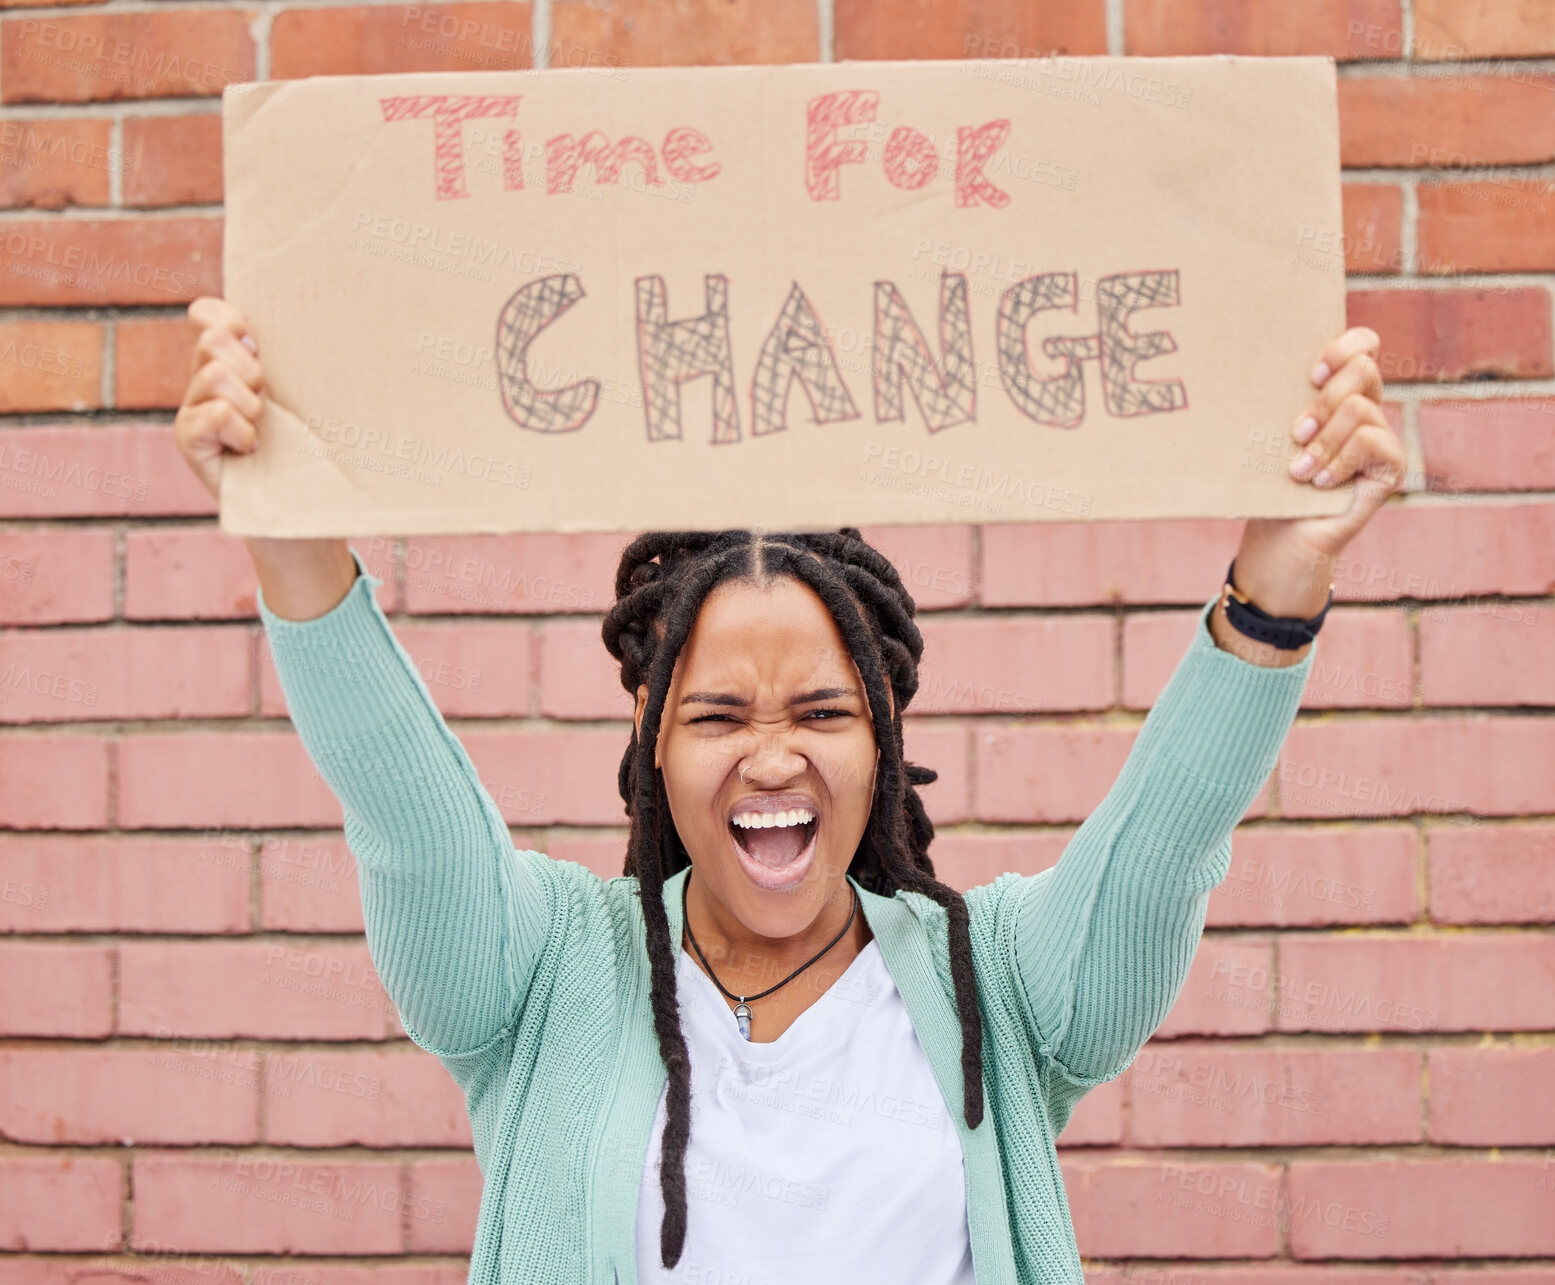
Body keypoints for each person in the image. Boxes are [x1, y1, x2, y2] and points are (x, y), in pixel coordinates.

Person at [177, 295, 1405, 1285]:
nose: (773, 758)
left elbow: (1164, 840)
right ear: (654, 741)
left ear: (882, 735)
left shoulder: (1002, 979)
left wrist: (1277, 584)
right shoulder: (543, 971)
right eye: (718, 715)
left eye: (822, 712)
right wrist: (288, 533)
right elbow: (410, 821)